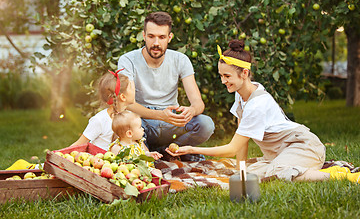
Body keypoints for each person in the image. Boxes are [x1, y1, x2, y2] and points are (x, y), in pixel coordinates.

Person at [166, 39, 360, 183]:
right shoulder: (242, 93)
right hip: (282, 152)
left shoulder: (256, 104)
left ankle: (340, 176)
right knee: (248, 175)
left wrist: (191, 149)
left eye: (227, 76)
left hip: (305, 147)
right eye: (221, 76)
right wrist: (240, 170)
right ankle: (287, 166)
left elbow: (232, 148)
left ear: (244, 73)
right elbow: (241, 141)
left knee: (272, 175)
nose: (223, 81)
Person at [117, 11, 215, 161]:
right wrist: (159, 115)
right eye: (151, 36)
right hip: (142, 122)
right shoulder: (127, 60)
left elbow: (198, 103)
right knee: (125, 124)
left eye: (162, 37)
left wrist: (191, 110)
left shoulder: (181, 60)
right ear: (144, 36)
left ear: (169, 37)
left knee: (206, 124)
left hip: (172, 120)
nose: (156, 43)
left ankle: (170, 151)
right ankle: (152, 153)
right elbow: (127, 104)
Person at [71, 70, 135, 151]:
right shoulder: (100, 120)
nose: (134, 90)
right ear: (123, 97)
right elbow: (79, 144)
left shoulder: (130, 117)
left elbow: (137, 142)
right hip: (100, 161)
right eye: (131, 87)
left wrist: (147, 154)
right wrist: (59, 157)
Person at [109, 110, 163, 177]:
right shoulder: (117, 148)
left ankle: (158, 186)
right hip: (130, 175)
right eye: (140, 127)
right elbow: (114, 165)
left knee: (157, 173)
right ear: (129, 133)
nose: (143, 129)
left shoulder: (139, 142)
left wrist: (149, 154)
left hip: (145, 170)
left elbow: (143, 153)